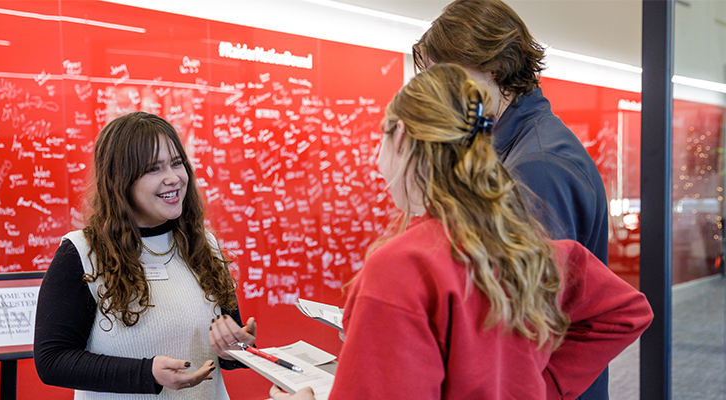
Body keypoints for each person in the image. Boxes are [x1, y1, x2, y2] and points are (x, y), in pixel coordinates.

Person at [268, 64, 652, 400]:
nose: (376, 158)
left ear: (400, 136)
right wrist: (541, 385)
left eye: (381, 138)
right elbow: (626, 312)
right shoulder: (528, 248)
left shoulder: (400, 267)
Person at [412, 1, 612, 398]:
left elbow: (526, 317)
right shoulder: (518, 147)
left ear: (494, 70)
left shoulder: (537, 166)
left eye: (446, 77)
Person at [34, 111, 256, 399]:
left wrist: (238, 348)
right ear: (121, 181)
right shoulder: (81, 252)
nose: (173, 178)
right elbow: (52, 361)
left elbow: (229, 353)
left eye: (177, 164)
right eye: (154, 169)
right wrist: (145, 372)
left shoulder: (204, 246)